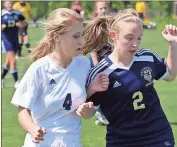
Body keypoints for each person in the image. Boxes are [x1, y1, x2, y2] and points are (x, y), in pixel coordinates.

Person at [11, 8, 109, 147]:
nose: (81, 41)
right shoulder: (40, 69)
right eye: (75, 36)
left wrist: (88, 109)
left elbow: (86, 111)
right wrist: (33, 129)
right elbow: (22, 110)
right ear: (57, 37)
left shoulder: (84, 65)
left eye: (82, 35)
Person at [84, 8, 177, 147]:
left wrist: (173, 44)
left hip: (158, 136)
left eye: (139, 38)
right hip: (121, 141)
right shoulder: (101, 72)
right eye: (129, 38)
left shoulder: (147, 57)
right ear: (113, 35)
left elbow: (170, 75)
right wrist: (86, 110)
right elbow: (89, 112)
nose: (135, 43)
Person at [84, 0, 113, 126]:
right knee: (99, 87)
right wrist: (97, 66)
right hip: (98, 61)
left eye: (106, 8)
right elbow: (93, 49)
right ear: (96, 10)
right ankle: (99, 112)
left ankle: (107, 112)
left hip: (110, 60)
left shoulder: (113, 24)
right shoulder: (95, 26)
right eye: (101, 8)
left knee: (111, 86)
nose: (104, 10)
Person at [1, 1, 27, 88]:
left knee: (8, 62)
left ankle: (1, 78)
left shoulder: (17, 13)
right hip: (6, 40)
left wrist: (21, 25)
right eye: (8, 3)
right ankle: (16, 82)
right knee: (13, 61)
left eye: (11, 3)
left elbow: (25, 22)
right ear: (4, 4)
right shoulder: (2, 14)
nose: (10, 5)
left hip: (15, 40)